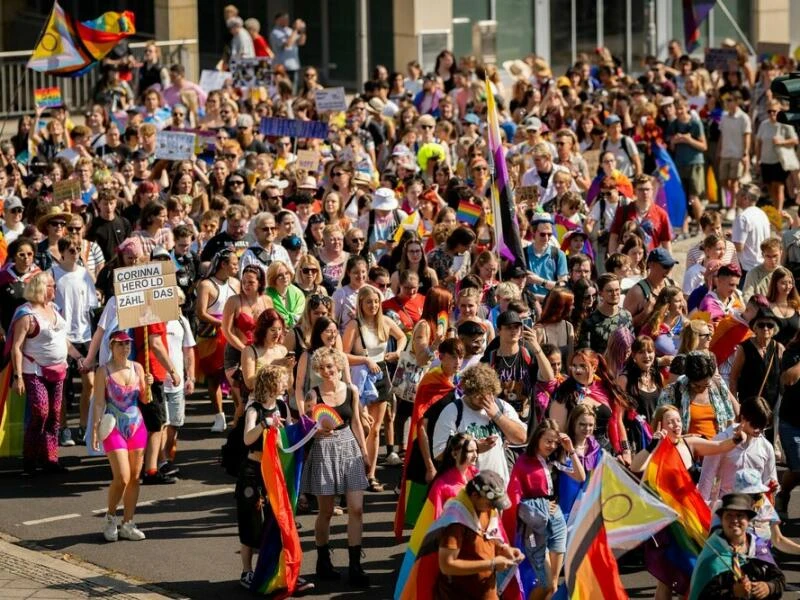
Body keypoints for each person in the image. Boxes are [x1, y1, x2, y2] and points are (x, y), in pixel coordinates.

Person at [300, 348, 370, 585]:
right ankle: (323, 560)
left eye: (330, 366)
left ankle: (355, 566)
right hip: (323, 449)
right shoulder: (313, 394)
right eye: (321, 368)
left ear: (340, 366)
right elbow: (306, 427)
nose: (327, 372)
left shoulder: (352, 390)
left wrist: (365, 451)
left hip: (349, 446)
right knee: (326, 512)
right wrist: (316, 430)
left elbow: (357, 423)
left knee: (356, 509)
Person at [10, 272, 84, 474]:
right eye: (52, 286)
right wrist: (18, 377)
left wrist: (78, 357)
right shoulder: (26, 314)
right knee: (40, 413)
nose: (56, 290)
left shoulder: (54, 309)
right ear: (42, 288)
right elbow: (16, 347)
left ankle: (50, 459)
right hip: (34, 371)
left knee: (54, 415)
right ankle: (30, 460)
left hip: (58, 370)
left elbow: (64, 341)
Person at [505, 419, 586, 600]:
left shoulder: (555, 460)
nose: (552, 445)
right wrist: (538, 505)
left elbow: (581, 476)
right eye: (548, 441)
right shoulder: (524, 462)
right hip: (535, 525)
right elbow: (515, 497)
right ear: (537, 438)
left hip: (557, 519)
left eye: (555, 442)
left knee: (554, 584)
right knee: (546, 583)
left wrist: (570, 449)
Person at [343, 285, 406, 490]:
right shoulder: (354, 325)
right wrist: (364, 359)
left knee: (376, 427)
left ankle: (370, 475)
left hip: (381, 375)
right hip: (360, 378)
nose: (373, 305)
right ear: (361, 303)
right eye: (369, 302)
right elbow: (342, 354)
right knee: (363, 427)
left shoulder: (385, 322)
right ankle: (357, 471)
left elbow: (403, 336)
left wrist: (397, 352)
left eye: (376, 301)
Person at [91, 330, 150, 542]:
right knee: (122, 477)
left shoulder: (138, 368)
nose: (125, 348)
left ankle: (128, 522)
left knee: (135, 477)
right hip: (113, 425)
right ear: (112, 347)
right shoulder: (103, 371)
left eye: (127, 344)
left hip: (136, 425)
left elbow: (144, 399)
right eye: (120, 344)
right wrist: (96, 428)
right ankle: (110, 517)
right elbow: (99, 402)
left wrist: (147, 384)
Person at [434, 470, 523, 600]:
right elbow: (446, 566)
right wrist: (491, 564)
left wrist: (504, 549)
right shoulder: (455, 522)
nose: (493, 508)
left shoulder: (487, 510)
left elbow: (489, 540)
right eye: (490, 503)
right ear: (475, 496)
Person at [432, 363, 527, 485]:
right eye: (479, 396)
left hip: (498, 487)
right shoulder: (453, 411)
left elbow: (521, 438)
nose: (486, 399)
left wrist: (497, 416)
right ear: (469, 392)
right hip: (465, 489)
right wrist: (475, 447)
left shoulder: (501, 406)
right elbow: (439, 454)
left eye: (489, 394)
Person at [688, 493, 785, 599]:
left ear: (748, 520)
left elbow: (779, 579)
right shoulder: (711, 554)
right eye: (729, 515)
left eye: (740, 515)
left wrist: (768, 587)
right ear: (721, 520)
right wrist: (733, 593)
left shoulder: (758, 546)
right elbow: (702, 596)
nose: (734, 520)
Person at [549, 348, 632, 462]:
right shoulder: (563, 393)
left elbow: (618, 422)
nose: (577, 370)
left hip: (606, 455)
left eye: (583, 366)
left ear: (594, 367)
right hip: (577, 456)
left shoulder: (606, 388)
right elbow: (558, 432)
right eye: (574, 365)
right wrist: (572, 456)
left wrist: (626, 451)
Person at [698, 396, 778, 502]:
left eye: (763, 426)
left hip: (753, 507)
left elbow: (770, 481)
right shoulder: (721, 441)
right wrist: (703, 508)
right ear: (743, 418)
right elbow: (707, 477)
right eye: (755, 424)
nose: (759, 430)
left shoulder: (766, 447)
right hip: (724, 505)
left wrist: (773, 488)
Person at [196, 248, 241, 432]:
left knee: (235, 376)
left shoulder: (236, 284)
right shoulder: (206, 285)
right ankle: (219, 416)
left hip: (232, 333)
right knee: (213, 377)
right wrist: (222, 322)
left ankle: (240, 413)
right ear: (223, 264)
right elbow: (201, 312)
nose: (237, 267)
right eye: (234, 263)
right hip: (212, 336)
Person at [658, 350, 735, 439]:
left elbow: (730, 419)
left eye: (706, 385)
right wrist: (685, 439)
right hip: (687, 449)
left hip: (718, 449)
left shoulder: (719, 385)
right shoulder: (671, 392)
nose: (701, 389)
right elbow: (660, 429)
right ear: (688, 378)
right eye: (696, 386)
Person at [729, 307, 783, 415]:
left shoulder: (779, 348)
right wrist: (735, 405)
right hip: (749, 407)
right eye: (761, 325)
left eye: (770, 325)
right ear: (755, 328)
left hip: (771, 409)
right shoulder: (744, 348)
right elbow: (733, 379)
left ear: (774, 329)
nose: (766, 328)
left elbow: (783, 379)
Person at [623, 248, 677, 330]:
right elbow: (624, 324)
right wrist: (645, 313)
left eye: (671, 265)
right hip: (648, 341)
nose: (669, 270)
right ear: (651, 265)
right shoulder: (638, 292)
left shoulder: (673, 285)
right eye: (665, 266)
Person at [579, 273, 632, 353]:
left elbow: (632, 345)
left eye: (617, 290)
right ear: (600, 293)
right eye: (610, 291)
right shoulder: (590, 321)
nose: (614, 294)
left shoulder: (627, 316)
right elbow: (586, 353)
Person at [731, 184, 771, 281]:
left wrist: (726, 240)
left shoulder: (743, 217)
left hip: (748, 269)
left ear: (745, 198)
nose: (735, 197)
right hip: (763, 265)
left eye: (738, 194)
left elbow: (739, 247)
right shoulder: (762, 214)